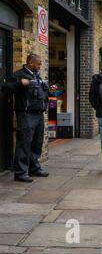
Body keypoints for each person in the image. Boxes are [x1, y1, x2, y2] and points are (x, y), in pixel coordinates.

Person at [1, 54, 50, 182]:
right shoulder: (19, 75)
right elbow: (5, 88)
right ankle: (20, 172)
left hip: (39, 114)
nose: (40, 66)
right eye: (38, 63)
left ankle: (34, 168)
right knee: (24, 143)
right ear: (30, 62)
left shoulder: (36, 75)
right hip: (26, 114)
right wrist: (20, 83)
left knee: (37, 143)